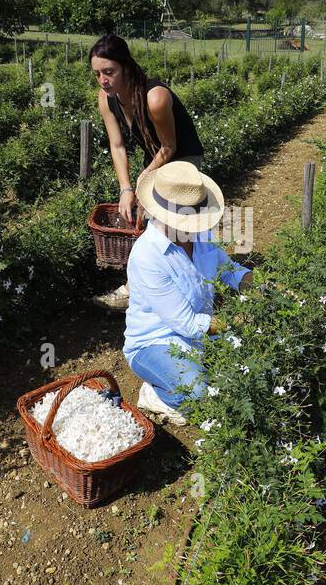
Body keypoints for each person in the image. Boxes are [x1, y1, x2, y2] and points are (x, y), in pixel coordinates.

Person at [123, 160, 252, 426]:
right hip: (154, 342)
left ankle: (189, 372)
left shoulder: (198, 235)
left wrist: (261, 288)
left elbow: (229, 270)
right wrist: (239, 323)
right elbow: (188, 323)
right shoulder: (147, 256)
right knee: (198, 394)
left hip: (199, 336)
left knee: (249, 366)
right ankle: (156, 395)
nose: (194, 226)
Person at [90, 34, 205, 312]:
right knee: (158, 225)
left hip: (182, 158)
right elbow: (117, 146)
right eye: (97, 74)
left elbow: (169, 146)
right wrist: (127, 189)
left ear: (126, 66)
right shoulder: (107, 99)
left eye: (109, 72)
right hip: (154, 157)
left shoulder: (155, 97)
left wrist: (144, 179)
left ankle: (175, 290)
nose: (103, 80)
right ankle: (157, 285)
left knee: (170, 225)